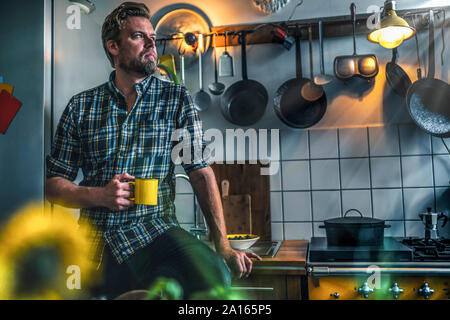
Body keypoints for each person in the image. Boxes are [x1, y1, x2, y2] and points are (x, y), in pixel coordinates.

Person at [45, 2, 261, 299]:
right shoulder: (81, 106)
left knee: (214, 277)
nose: (151, 43)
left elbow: (200, 173)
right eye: (138, 36)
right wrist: (100, 196)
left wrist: (222, 245)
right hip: (97, 242)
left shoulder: (176, 99)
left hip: (155, 232)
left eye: (152, 36)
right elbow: (53, 185)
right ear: (114, 47)